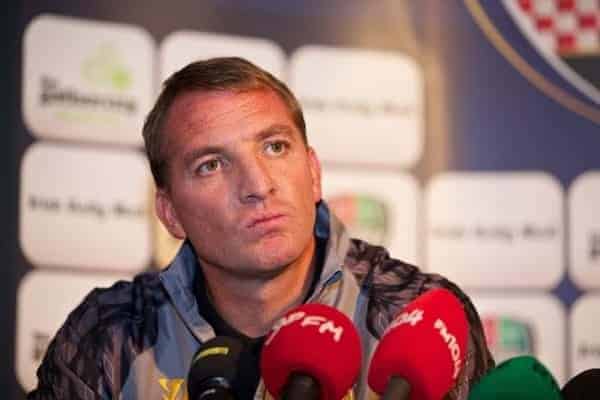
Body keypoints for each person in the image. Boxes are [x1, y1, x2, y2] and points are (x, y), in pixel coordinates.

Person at [28, 57, 494, 400]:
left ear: (313, 173)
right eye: (211, 165)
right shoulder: (107, 334)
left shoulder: (412, 316)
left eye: (274, 147)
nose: (258, 186)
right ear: (169, 213)